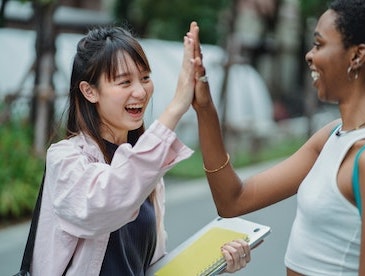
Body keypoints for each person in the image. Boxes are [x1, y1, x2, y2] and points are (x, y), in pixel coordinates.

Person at [190, 0, 365, 275]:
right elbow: (233, 200)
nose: (309, 55)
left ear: (357, 56)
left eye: (320, 44)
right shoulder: (333, 135)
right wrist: (205, 108)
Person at [30, 24, 250, 275]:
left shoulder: (147, 169)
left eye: (145, 78)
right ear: (89, 91)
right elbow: (107, 202)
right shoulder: (65, 159)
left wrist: (215, 260)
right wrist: (177, 105)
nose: (140, 91)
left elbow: (146, 268)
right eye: (124, 82)